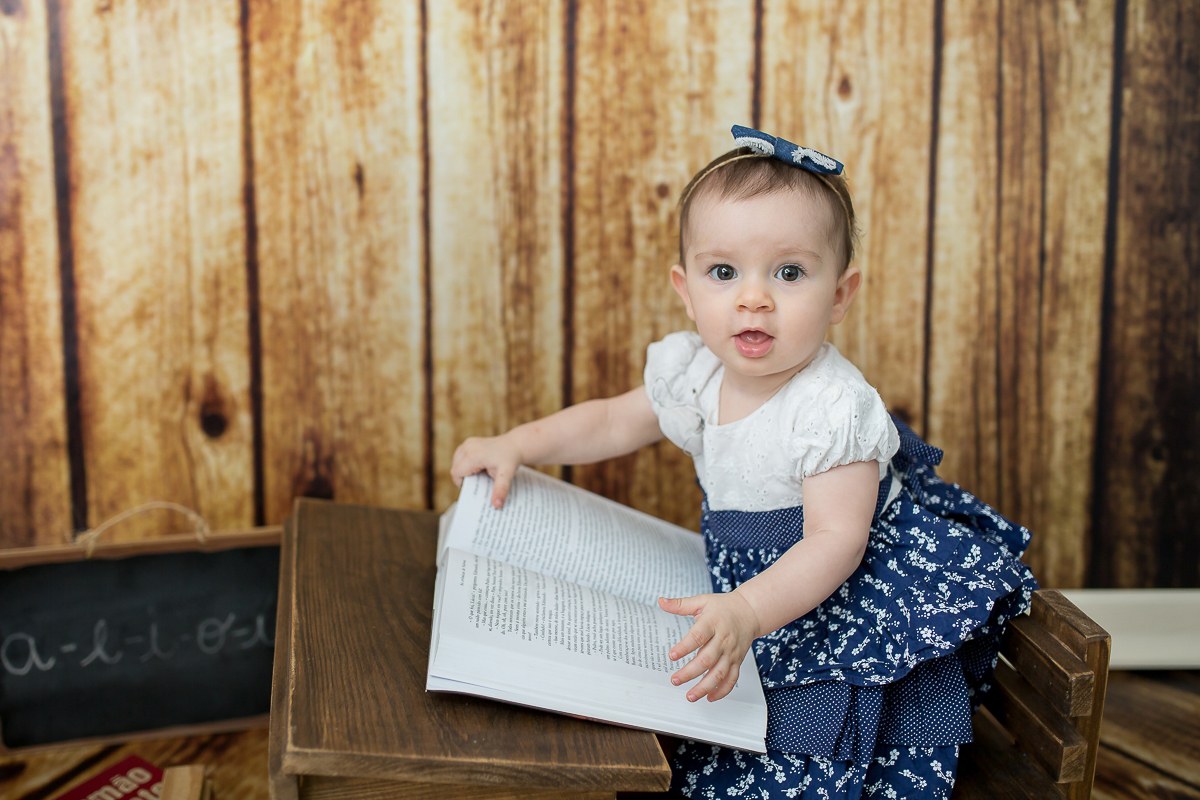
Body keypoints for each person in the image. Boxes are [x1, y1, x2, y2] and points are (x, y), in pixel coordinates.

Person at [451, 125, 1037, 799]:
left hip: (836, 591)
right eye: (724, 272)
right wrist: (517, 446)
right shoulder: (698, 371)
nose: (753, 297)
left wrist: (748, 612)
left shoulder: (830, 408)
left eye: (789, 273)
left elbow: (837, 541)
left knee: (812, 747)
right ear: (686, 289)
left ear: (840, 295)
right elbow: (612, 419)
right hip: (754, 589)